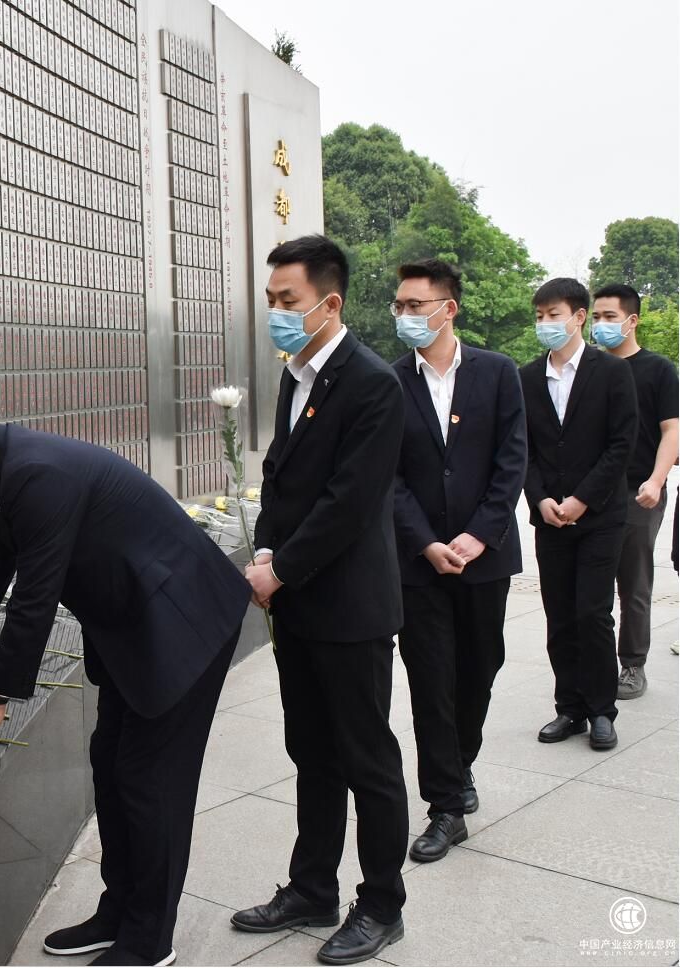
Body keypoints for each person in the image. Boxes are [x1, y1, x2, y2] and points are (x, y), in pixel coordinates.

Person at [0, 385, 250, 967]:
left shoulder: (35, 474)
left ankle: (149, 941)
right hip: (136, 628)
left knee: (151, 781)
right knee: (111, 764)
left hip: (183, 622)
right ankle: (119, 910)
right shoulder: (7, 473)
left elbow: (35, 595)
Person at [231, 236, 409, 965]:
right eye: (270, 300)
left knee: (367, 759)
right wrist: (265, 550)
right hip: (300, 603)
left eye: (288, 301)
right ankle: (311, 889)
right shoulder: (296, 374)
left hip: (350, 609)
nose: (275, 313)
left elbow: (349, 503)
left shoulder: (371, 384)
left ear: (329, 303)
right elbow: (282, 479)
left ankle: (382, 904)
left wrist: (280, 570)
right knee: (310, 752)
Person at [386, 259, 526, 863]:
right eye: (399, 305)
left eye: (415, 305)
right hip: (418, 564)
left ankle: (460, 762)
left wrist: (480, 535)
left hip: (484, 559)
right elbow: (388, 476)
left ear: (449, 309)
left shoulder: (497, 373)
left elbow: (512, 461)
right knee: (430, 679)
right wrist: (425, 541)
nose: (404, 315)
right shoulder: (390, 382)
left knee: (479, 667)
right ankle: (444, 804)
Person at [519, 278, 636, 749]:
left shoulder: (612, 373)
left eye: (554, 315)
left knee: (592, 613)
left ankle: (601, 709)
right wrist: (540, 499)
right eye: (540, 316)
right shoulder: (527, 377)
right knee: (560, 615)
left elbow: (621, 445)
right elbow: (521, 448)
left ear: (579, 317)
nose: (545, 323)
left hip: (601, 515)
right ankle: (569, 708)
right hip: (550, 516)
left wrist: (582, 499)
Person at [590, 283, 678, 699]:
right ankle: (593, 664)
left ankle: (632, 665)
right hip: (591, 495)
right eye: (596, 317)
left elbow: (672, 430)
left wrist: (656, 481)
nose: (601, 325)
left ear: (632, 320)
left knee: (634, 584)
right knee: (591, 587)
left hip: (638, 492)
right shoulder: (589, 369)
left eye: (610, 317)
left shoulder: (657, 369)